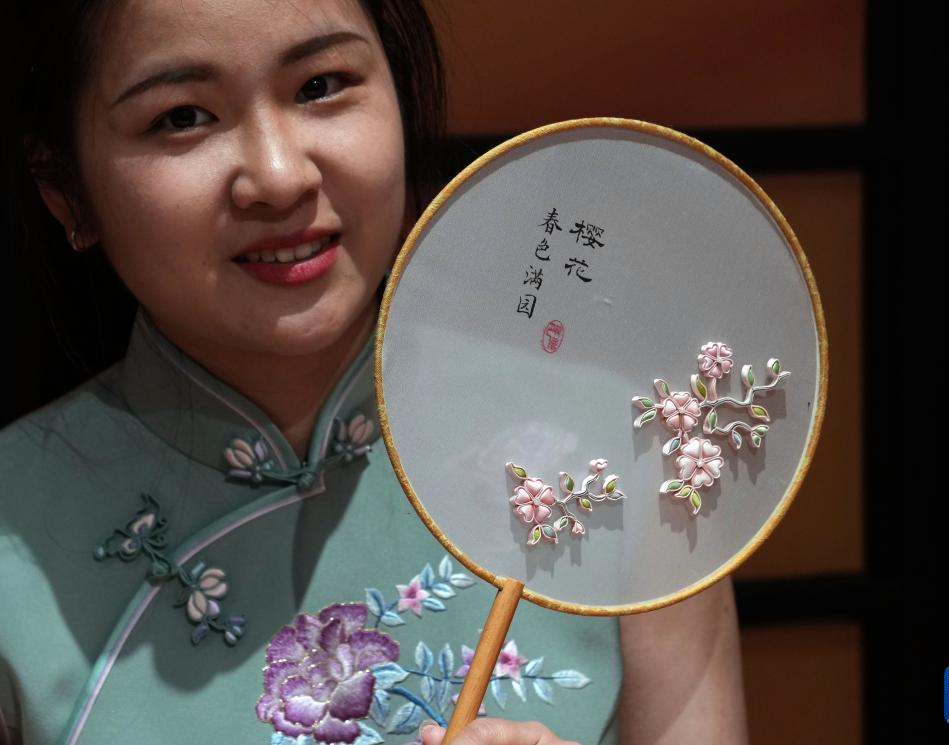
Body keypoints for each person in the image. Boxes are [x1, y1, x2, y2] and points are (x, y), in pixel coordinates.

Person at [0, 1, 748, 743]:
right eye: (182, 117)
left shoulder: (630, 465)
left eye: (320, 86)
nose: (280, 177)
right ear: (64, 188)